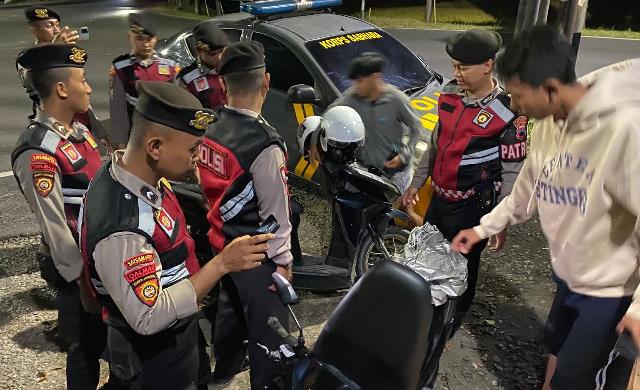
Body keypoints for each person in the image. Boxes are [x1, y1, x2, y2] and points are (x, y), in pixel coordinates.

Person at [452, 26, 639, 390]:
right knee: (554, 350)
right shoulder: (548, 124)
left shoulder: (624, 131)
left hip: (609, 291)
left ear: (551, 89)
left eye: (519, 96)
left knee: (579, 377)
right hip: (568, 274)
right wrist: (482, 228)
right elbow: (525, 192)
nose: (514, 104)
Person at [80, 80, 273, 389]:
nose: (198, 157)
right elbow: (149, 317)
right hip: (154, 360)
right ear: (155, 147)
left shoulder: (135, 176)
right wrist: (221, 264)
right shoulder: (122, 228)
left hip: (178, 340)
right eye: (192, 149)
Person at [403, 29, 527, 336]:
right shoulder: (448, 94)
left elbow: (512, 172)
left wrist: (499, 221)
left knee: (462, 271)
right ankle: (422, 319)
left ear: (487, 65)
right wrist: (416, 183)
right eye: (454, 65)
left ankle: (449, 326)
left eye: (463, 67)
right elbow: (436, 144)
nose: (455, 73)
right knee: (427, 259)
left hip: (473, 208)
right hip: (439, 202)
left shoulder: (509, 110)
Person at [197, 41, 292, 389]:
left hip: (223, 247)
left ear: (223, 84)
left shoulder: (210, 127)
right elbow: (276, 213)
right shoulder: (264, 143)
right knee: (272, 340)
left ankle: (222, 373)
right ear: (265, 81)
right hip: (256, 256)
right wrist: (282, 263)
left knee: (231, 314)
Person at [12, 43, 106, 390]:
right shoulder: (39, 150)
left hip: (100, 263)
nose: (90, 87)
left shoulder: (77, 133)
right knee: (84, 351)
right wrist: (82, 282)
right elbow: (54, 226)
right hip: (80, 274)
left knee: (105, 345)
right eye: (83, 80)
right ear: (62, 89)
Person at [324, 51, 421, 193]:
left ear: (376, 77)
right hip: (365, 173)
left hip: (394, 175)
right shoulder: (353, 96)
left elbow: (416, 128)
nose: (356, 86)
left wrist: (405, 155)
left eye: (360, 81)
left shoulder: (396, 99)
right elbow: (329, 114)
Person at [18, 6, 106, 142]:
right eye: (49, 26)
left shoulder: (65, 49)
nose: (56, 30)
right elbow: (32, 84)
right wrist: (53, 50)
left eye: (57, 25)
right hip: (54, 117)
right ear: (34, 30)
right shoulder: (28, 58)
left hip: (77, 112)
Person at [109, 13, 180, 149]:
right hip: (134, 135)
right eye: (140, 38)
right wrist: (121, 144)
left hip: (164, 135)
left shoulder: (170, 66)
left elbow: (177, 105)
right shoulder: (120, 67)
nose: (146, 44)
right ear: (129, 38)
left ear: (156, 39)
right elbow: (118, 110)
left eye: (150, 39)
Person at [177, 21, 228, 109]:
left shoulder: (233, 68)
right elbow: (184, 109)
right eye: (213, 54)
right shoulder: (187, 78)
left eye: (221, 51)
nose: (219, 57)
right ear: (198, 51)